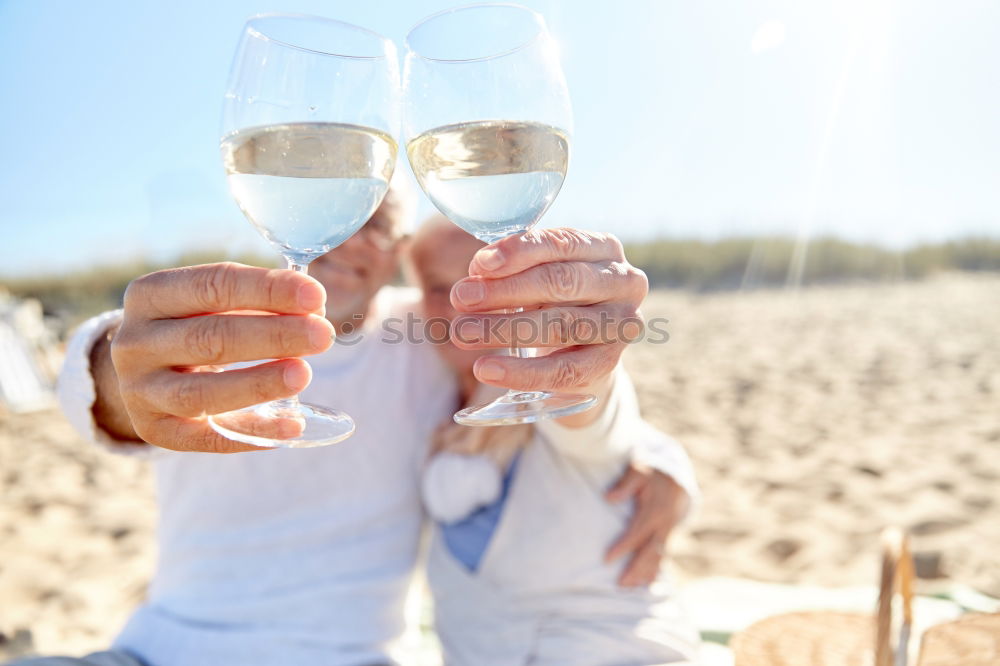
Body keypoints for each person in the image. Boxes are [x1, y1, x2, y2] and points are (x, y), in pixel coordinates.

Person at [15, 183, 682, 666]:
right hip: (161, 651)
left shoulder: (424, 331)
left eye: (374, 220)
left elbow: (561, 387)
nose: (343, 233)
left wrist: (663, 460)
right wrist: (112, 370)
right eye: (327, 203)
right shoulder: (209, 334)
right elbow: (106, 384)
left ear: (396, 251)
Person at [411, 217, 700, 664]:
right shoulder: (425, 382)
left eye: (479, 282)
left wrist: (584, 355)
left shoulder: (542, 381)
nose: (460, 304)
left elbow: (591, 403)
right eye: (437, 287)